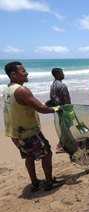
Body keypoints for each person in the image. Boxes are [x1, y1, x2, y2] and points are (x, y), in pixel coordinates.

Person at [3, 61, 64, 192]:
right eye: (23, 71)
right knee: (46, 153)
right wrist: (56, 108)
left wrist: (44, 104)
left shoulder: (7, 89)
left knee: (28, 156)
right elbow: (41, 109)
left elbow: (22, 105)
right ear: (13, 74)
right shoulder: (22, 90)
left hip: (15, 133)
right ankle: (49, 184)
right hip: (28, 132)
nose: (27, 73)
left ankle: (35, 183)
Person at [49, 68, 71, 153]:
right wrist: (70, 109)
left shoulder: (53, 85)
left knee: (63, 126)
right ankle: (61, 145)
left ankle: (63, 143)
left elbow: (51, 97)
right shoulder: (62, 86)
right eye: (62, 73)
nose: (63, 74)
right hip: (64, 109)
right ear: (57, 74)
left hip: (57, 109)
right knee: (66, 127)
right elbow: (66, 100)